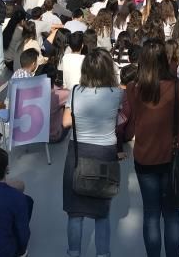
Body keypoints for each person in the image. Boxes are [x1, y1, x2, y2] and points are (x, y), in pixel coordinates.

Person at [124, 40, 179, 257]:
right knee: (172, 214)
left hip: (145, 156)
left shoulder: (133, 88)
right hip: (172, 157)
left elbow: (132, 121)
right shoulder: (177, 87)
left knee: (151, 214)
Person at [61, 49, 124, 257]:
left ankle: (73, 252)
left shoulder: (76, 91)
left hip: (78, 153)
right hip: (105, 154)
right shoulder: (117, 94)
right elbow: (122, 120)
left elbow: (66, 122)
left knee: (75, 212)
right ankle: (103, 254)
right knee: (102, 212)